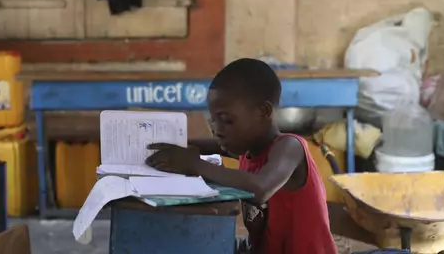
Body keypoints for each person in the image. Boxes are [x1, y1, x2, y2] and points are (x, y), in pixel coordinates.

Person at [145, 58, 338, 254]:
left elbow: (260, 188)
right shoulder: (248, 149)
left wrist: (195, 164)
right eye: (214, 122)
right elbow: (215, 145)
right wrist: (178, 145)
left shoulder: (290, 147)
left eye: (227, 120)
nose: (218, 131)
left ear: (263, 112)